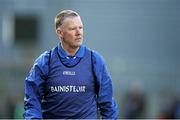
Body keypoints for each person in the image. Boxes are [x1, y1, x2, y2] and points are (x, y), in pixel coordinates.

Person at [23, 9, 119, 119]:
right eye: (72, 29)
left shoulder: (95, 61)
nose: (79, 33)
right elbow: (32, 102)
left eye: (81, 27)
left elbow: (108, 105)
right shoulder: (45, 62)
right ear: (60, 32)